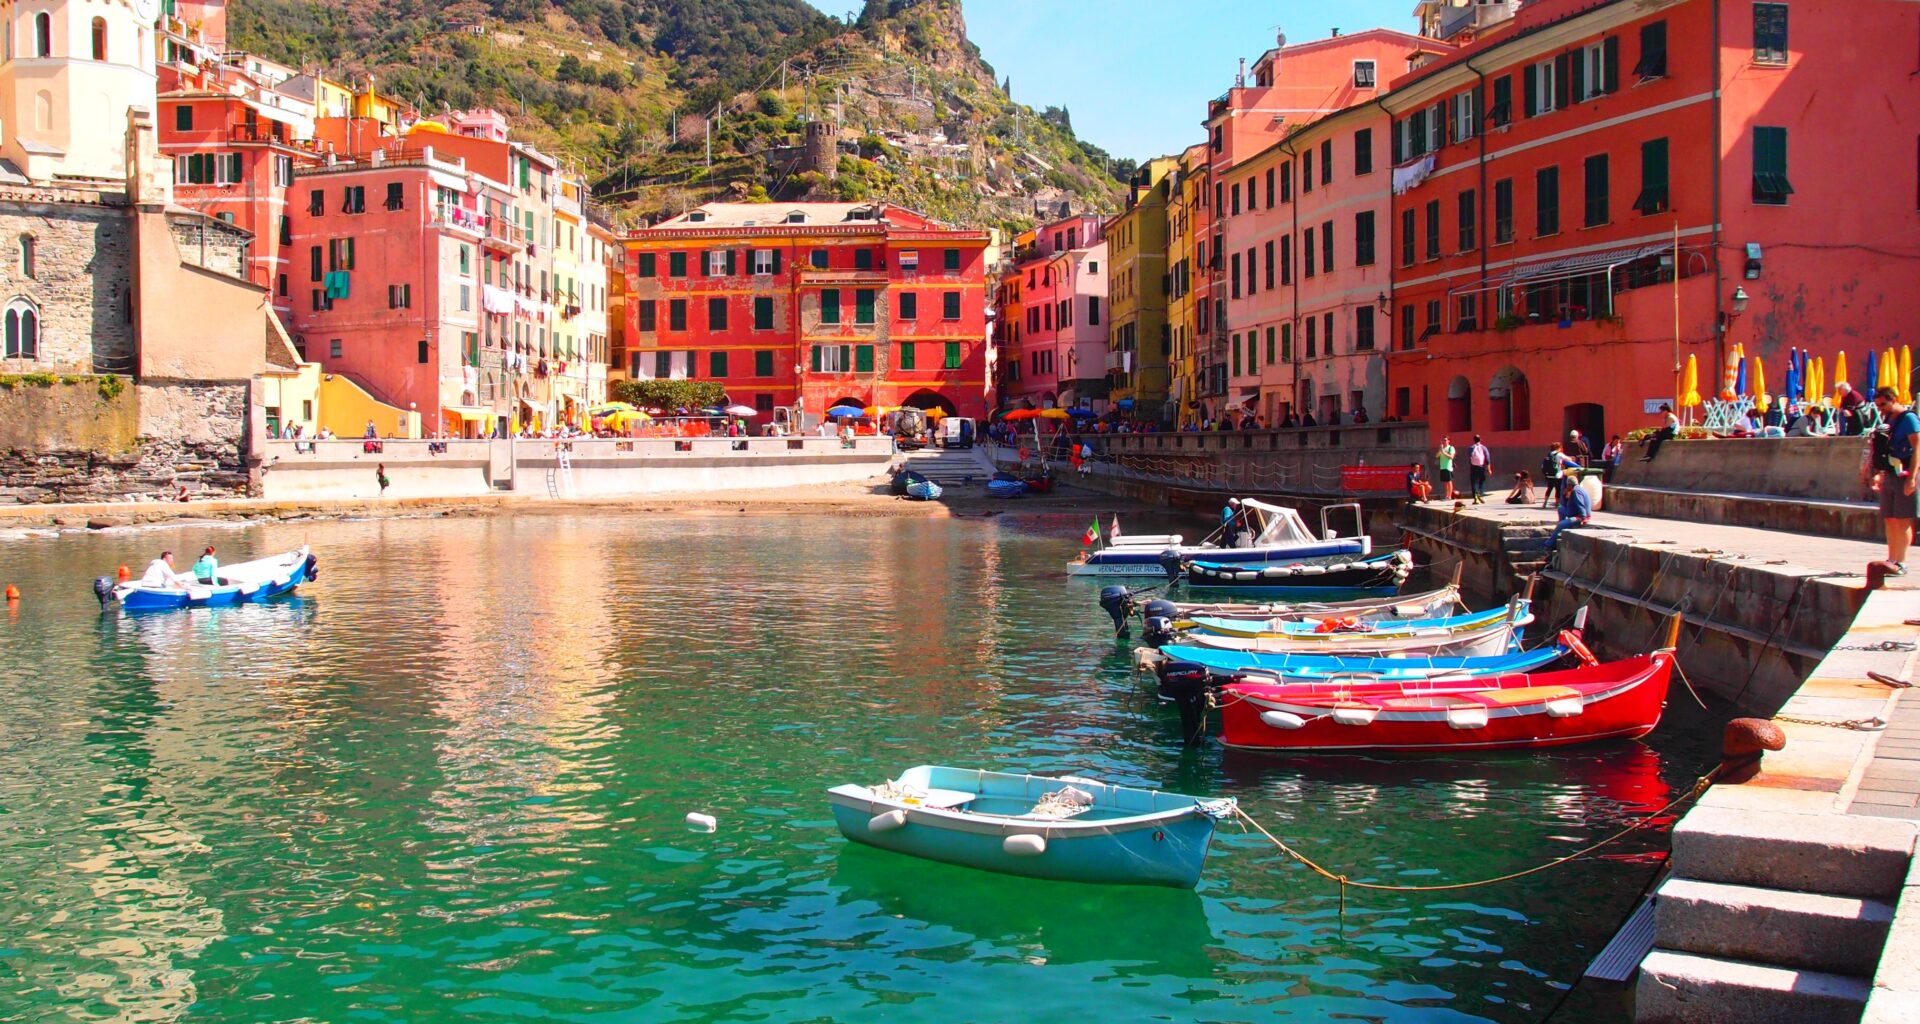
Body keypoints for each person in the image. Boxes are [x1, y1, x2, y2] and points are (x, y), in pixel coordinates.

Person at [1868, 386, 1920, 574]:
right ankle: (1891, 559)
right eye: (1878, 405)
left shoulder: (1909, 419)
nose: (1880, 409)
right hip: (1890, 472)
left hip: (1904, 473)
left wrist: (1912, 478)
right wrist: (1879, 473)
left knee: (1902, 519)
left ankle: (1901, 561)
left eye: (1883, 404)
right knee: (1890, 518)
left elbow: (1917, 448)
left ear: (1893, 400)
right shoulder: (1888, 419)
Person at [1548, 472, 1594, 553]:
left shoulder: (1576, 491)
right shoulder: (1578, 489)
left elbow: (1580, 504)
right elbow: (1565, 504)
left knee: (1561, 524)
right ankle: (1561, 528)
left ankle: (1548, 544)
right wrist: (1565, 496)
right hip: (1573, 513)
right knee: (1561, 509)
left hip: (1580, 516)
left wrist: (1583, 518)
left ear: (1569, 485)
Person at [1467, 434, 1491, 504]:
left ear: (1473, 440)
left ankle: (1475, 498)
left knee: (1474, 482)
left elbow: (1469, 457)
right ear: (1480, 440)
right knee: (1482, 481)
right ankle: (1481, 495)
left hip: (1473, 467)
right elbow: (1487, 458)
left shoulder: (1471, 448)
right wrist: (1489, 469)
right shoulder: (1484, 448)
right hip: (1481, 467)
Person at [1435, 436, 1456, 500]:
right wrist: (1440, 450)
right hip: (1442, 467)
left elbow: (1451, 457)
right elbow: (1437, 456)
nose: (1444, 441)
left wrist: (1443, 452)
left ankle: (1449, 496)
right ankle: (1446, 495)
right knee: (1445, 482)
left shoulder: (1451, 448)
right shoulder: (1442, 448)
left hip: (1448, 467)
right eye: (1443, 440)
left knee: (1449, 482)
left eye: (1445, 440)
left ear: (1448, 441)